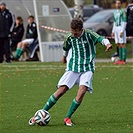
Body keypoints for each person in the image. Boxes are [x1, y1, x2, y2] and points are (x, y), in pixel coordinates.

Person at [28, 18, 112, 126]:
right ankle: (40, 114)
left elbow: (101, 39)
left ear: (81, 30)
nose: (73, 35)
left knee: (81, 92)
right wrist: (64, 56)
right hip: (73, 67)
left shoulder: (89, 34)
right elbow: (66, 47)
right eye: (72, 32)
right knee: (61, 90)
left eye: (75, 33)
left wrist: (108, 44)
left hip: (87, 68)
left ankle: (67, 117)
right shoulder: (69, 36)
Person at [111, 0, 127, 65]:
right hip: (116, 28)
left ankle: (123, 60)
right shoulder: (115, 12)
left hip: (121, 28)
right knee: (118, 44)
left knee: (122, 44)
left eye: (119, 3)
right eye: (116, 3)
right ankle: (120, 59)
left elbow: (124, 21)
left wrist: (122, 31)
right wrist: (113, 31)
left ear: (121, 4)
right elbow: (114, 22)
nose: (118, 4)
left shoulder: (123, 11)